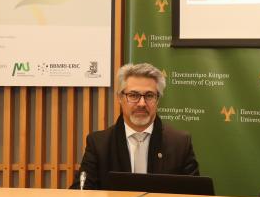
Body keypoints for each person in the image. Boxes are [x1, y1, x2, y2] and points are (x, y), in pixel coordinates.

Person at [71, 63, 199, 189]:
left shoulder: (180, 143)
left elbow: (195, 194)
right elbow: (81, 192)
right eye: (133, 95)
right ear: (120, 98)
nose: (142, 103)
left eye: (149, 96)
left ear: (158, 100)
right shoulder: (99, 144)